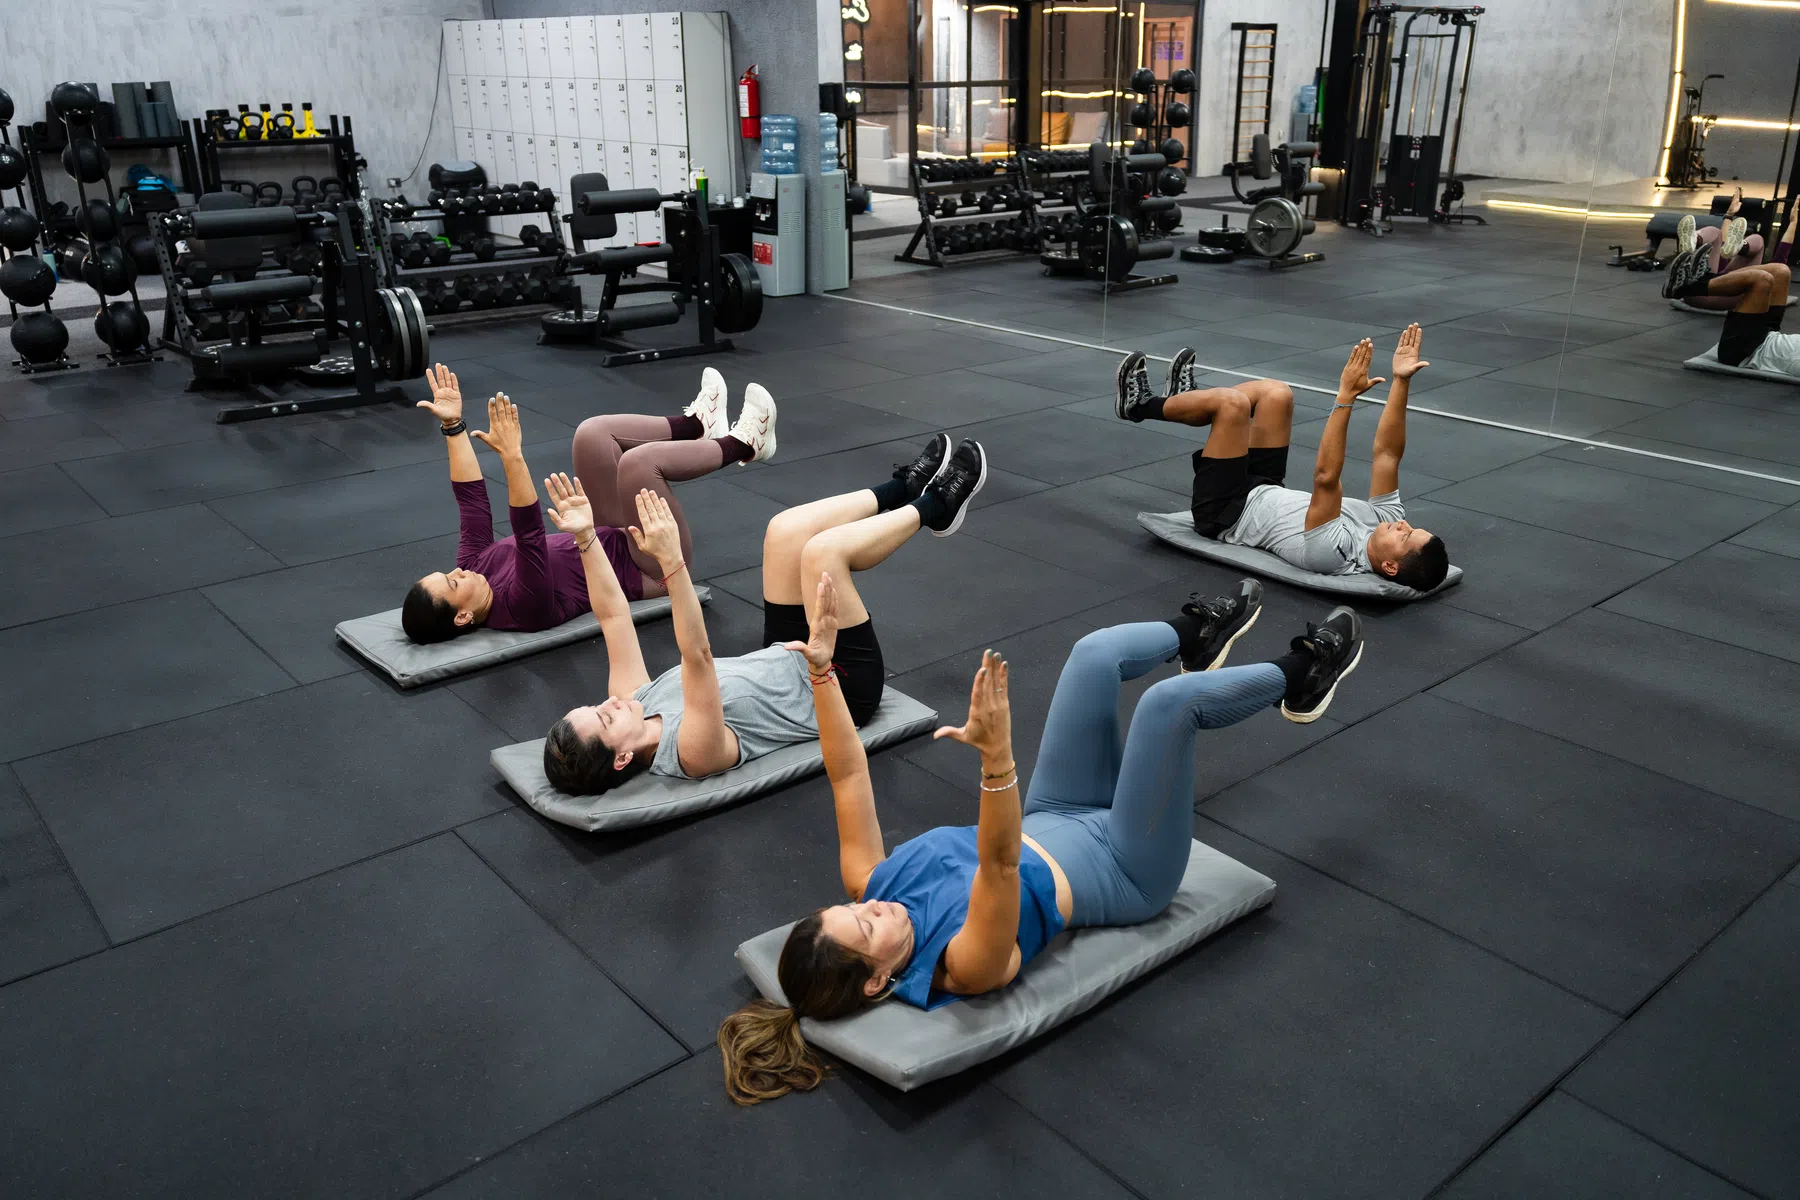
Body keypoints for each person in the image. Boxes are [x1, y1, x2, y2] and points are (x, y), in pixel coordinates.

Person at [714, 573, 1364, 1105]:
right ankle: (1303, 673)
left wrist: (823, 673)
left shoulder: (874, 885)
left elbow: (848, 774)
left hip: (1058, 811)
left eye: (849, 909)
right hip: (1126, 866)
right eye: (864, 928)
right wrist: (997, 761)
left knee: (1093, 654)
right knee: (1169, 707)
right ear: (879, 980)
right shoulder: (961, 965)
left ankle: (1200, 632)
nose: (868, 906)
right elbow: (998, 867)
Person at [540, 433, 990, 795]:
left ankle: (903, 490)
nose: (611, 703)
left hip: (785, 652)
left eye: (596, 706)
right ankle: (936, 507)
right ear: (621, 758)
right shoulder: (690, 752)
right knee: (823, 553)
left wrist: (585, 536)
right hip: (837, 683)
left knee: (783, 532)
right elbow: (697, 655)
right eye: (604, 718)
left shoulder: (633, 701)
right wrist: (673, 564)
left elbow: (614, 615)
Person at [401, 364, 777, 643]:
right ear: (463, 617)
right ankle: (746, 444)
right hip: (650, 565)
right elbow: (529, 532)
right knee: (638, 464)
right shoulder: (520, 608)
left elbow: (471, 503)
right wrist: (513, 456)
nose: (459, 571)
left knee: (591, 435)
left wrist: (453, 426)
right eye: (453, 582)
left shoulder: (472, 565)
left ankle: (696, 427)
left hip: (606, 534)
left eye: (450, 571)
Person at [1114, 326, 1450, 592]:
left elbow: (1325, 477)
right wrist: (1401, 381)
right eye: (1412, 527)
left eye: (1405, 536)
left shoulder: (1334, 555)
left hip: (1226, 511)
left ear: (1390, 566)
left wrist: (1345, 398)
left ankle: (1140, 406)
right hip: (1266, 488)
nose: (1403, 524)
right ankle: (1189, 401)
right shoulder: (1385, 520)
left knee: (1232, 405)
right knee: (1277, 392)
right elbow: (1388, 455)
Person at [1664, 213, 1797, 375]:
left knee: (1762, 279)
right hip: (1771, 333)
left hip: (1746, 351)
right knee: (1781, 271)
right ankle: (1699, 276)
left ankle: (1688, 287)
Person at [1674, 193, 1793, 313]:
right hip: (1719, 294)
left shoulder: (1727, 264)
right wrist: (1793, 222)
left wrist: (1729, 215)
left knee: (1716, 233)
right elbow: (1781, 257)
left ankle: (1697, 239)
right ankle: (1698, 240)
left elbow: (1724, 241)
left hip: (1693, 293)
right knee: (1757, 239)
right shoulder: (1753, 271)